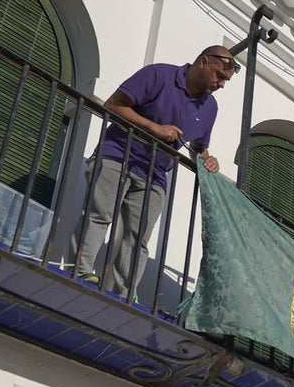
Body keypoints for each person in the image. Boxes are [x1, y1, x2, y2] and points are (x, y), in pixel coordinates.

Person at [75, 46, 232, 298]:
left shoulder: (210, 107)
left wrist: (208, 159)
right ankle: (80, 271)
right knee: (100, 214)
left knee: (138, 237)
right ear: (204, 62)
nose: (221, 85)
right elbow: (113, 105)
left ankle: (125, 294)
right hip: (118, 155)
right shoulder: (158, 75)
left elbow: (198, 147)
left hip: (156, 175)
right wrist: (153, 128)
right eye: (220, 76)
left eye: (226, 81)